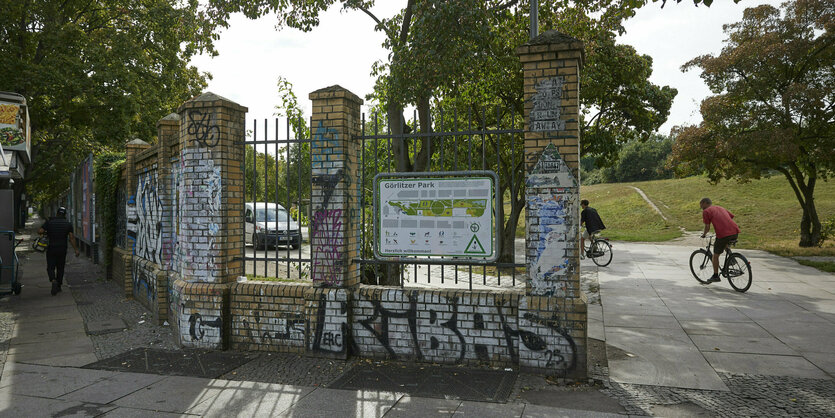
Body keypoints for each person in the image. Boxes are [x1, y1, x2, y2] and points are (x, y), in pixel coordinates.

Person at [38, 207, 80, 295]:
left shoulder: (49, 222)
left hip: (51, 248)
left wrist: (46, 232)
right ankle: (59, 285)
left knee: (50, 266)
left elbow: (40, 231)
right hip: (62, 248)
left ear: (57, 214)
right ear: (65, 215)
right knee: (60, 268)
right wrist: (76, 249)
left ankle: (53, 280)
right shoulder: (68, 224)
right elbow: (71, 238)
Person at [699, 197, 740, 283]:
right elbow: (730, 217)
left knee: (715, 255)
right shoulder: (720, 207)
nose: (700, 207)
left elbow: (707, 226)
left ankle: (715, 275)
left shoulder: (706, 211)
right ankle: (731, 259)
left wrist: (704, 234)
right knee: (725, 244)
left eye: (701, 204)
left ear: (705, 203)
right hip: (735, 231)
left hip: (724, 234)